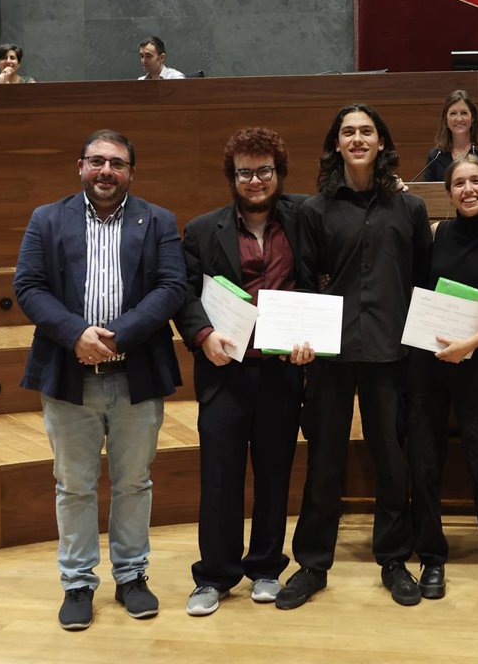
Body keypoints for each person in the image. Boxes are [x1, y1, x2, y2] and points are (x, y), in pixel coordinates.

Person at [14, 129, 187, 631]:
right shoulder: (47, 219)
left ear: (131, 171)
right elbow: (28, 285)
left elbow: (171, 286)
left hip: (136, 374)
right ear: (81, 166)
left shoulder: (158, 220)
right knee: (74, 486)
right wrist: (76, 334)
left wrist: (118, 335)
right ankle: (77, 583)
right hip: (69, 375)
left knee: (134, 482)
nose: (106, 171)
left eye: (117, 163)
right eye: (97, 161)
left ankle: (132, 576)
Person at [275, 103, 432, 610]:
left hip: (391, 352)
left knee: (391, 460)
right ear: (336, 144)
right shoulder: (314, 210)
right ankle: (311, 564)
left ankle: (394, 559)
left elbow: (424, 280)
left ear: (381, 142)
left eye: (367, 131)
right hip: (330, 351)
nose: (358, 139)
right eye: (348, 132)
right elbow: (304, 280)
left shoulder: (409, 209)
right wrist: (301, 337)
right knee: (324, 460)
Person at [175, 127, 315, 617]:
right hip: (225, 371)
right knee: (220, 477)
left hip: (281, 369)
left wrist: (311, 339)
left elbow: (320, 280)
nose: (255, 181)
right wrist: (202, 336)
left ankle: (266, 567)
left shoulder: (304, 219)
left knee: (274, 473)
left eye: (264, 171)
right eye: (245, 173)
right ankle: (214, 576)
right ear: (232, 177)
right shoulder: (202, 230)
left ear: (279, 172)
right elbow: (184, 293)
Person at [408, 155, 478, 601]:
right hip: (428, 361)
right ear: (449, 192)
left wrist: (471, 342)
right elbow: (421, 292)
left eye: (476, 181)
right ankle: (431, 557)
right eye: (459, 183)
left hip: (477, 361)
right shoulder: (436, 232)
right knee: (424, 462)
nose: (468, 189)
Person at [419, 89, 478, 182]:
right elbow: (428, 190)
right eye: (453, 113)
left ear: (472, 118)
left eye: (464, 113)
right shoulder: (435, 156)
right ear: (445, 120)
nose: (459, 119)